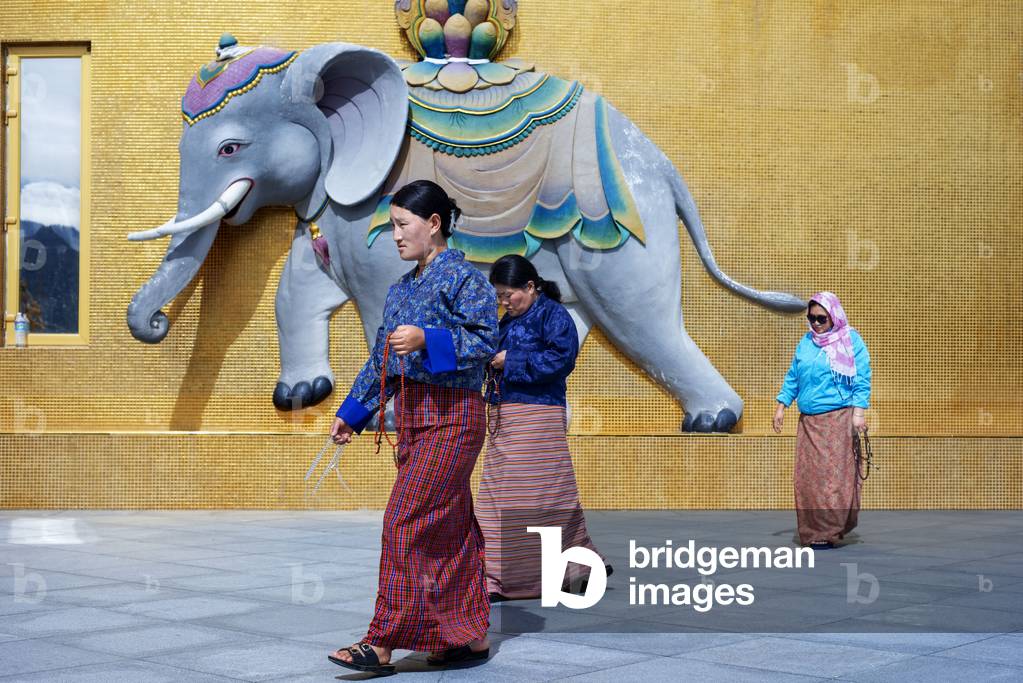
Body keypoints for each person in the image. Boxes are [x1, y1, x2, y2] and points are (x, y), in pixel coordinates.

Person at [327, 180, 497, 674]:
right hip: (415, 418)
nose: (396, 236)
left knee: (403, 521)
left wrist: (427, 338)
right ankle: (466, 636)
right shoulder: (400, 290)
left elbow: (485, 342)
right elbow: (382, 356)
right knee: (451, 529)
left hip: (455, 418)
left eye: (402, 225)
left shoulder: (466, 280)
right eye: (393, 226)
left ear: (434, 224)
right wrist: (353, 414)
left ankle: (382, 641)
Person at [476, 254, 608, 601]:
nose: (504, 302)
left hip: (538, 417)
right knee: (498, 497)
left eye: (509, 295)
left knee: (529, 497)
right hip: (504, 416)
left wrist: (511, 360)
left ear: (531, 287)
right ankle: (566, 568)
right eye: (499, 296)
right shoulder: (507, 321)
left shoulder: (553, 315)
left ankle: (514, 579)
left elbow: (562, 360)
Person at [773, 291, 871, 549]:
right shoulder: (806, 342)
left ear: (833, 317)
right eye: (811, 318)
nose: (815, 324)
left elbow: (862, 378)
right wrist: (782, 405)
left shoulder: (851, 340)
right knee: (808, 480)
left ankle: (829, 531)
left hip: (838, 419)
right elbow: (794, 375)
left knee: (833, 478)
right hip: (809, 422)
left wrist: (859, 414)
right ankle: (812, 530)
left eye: (821, 319)